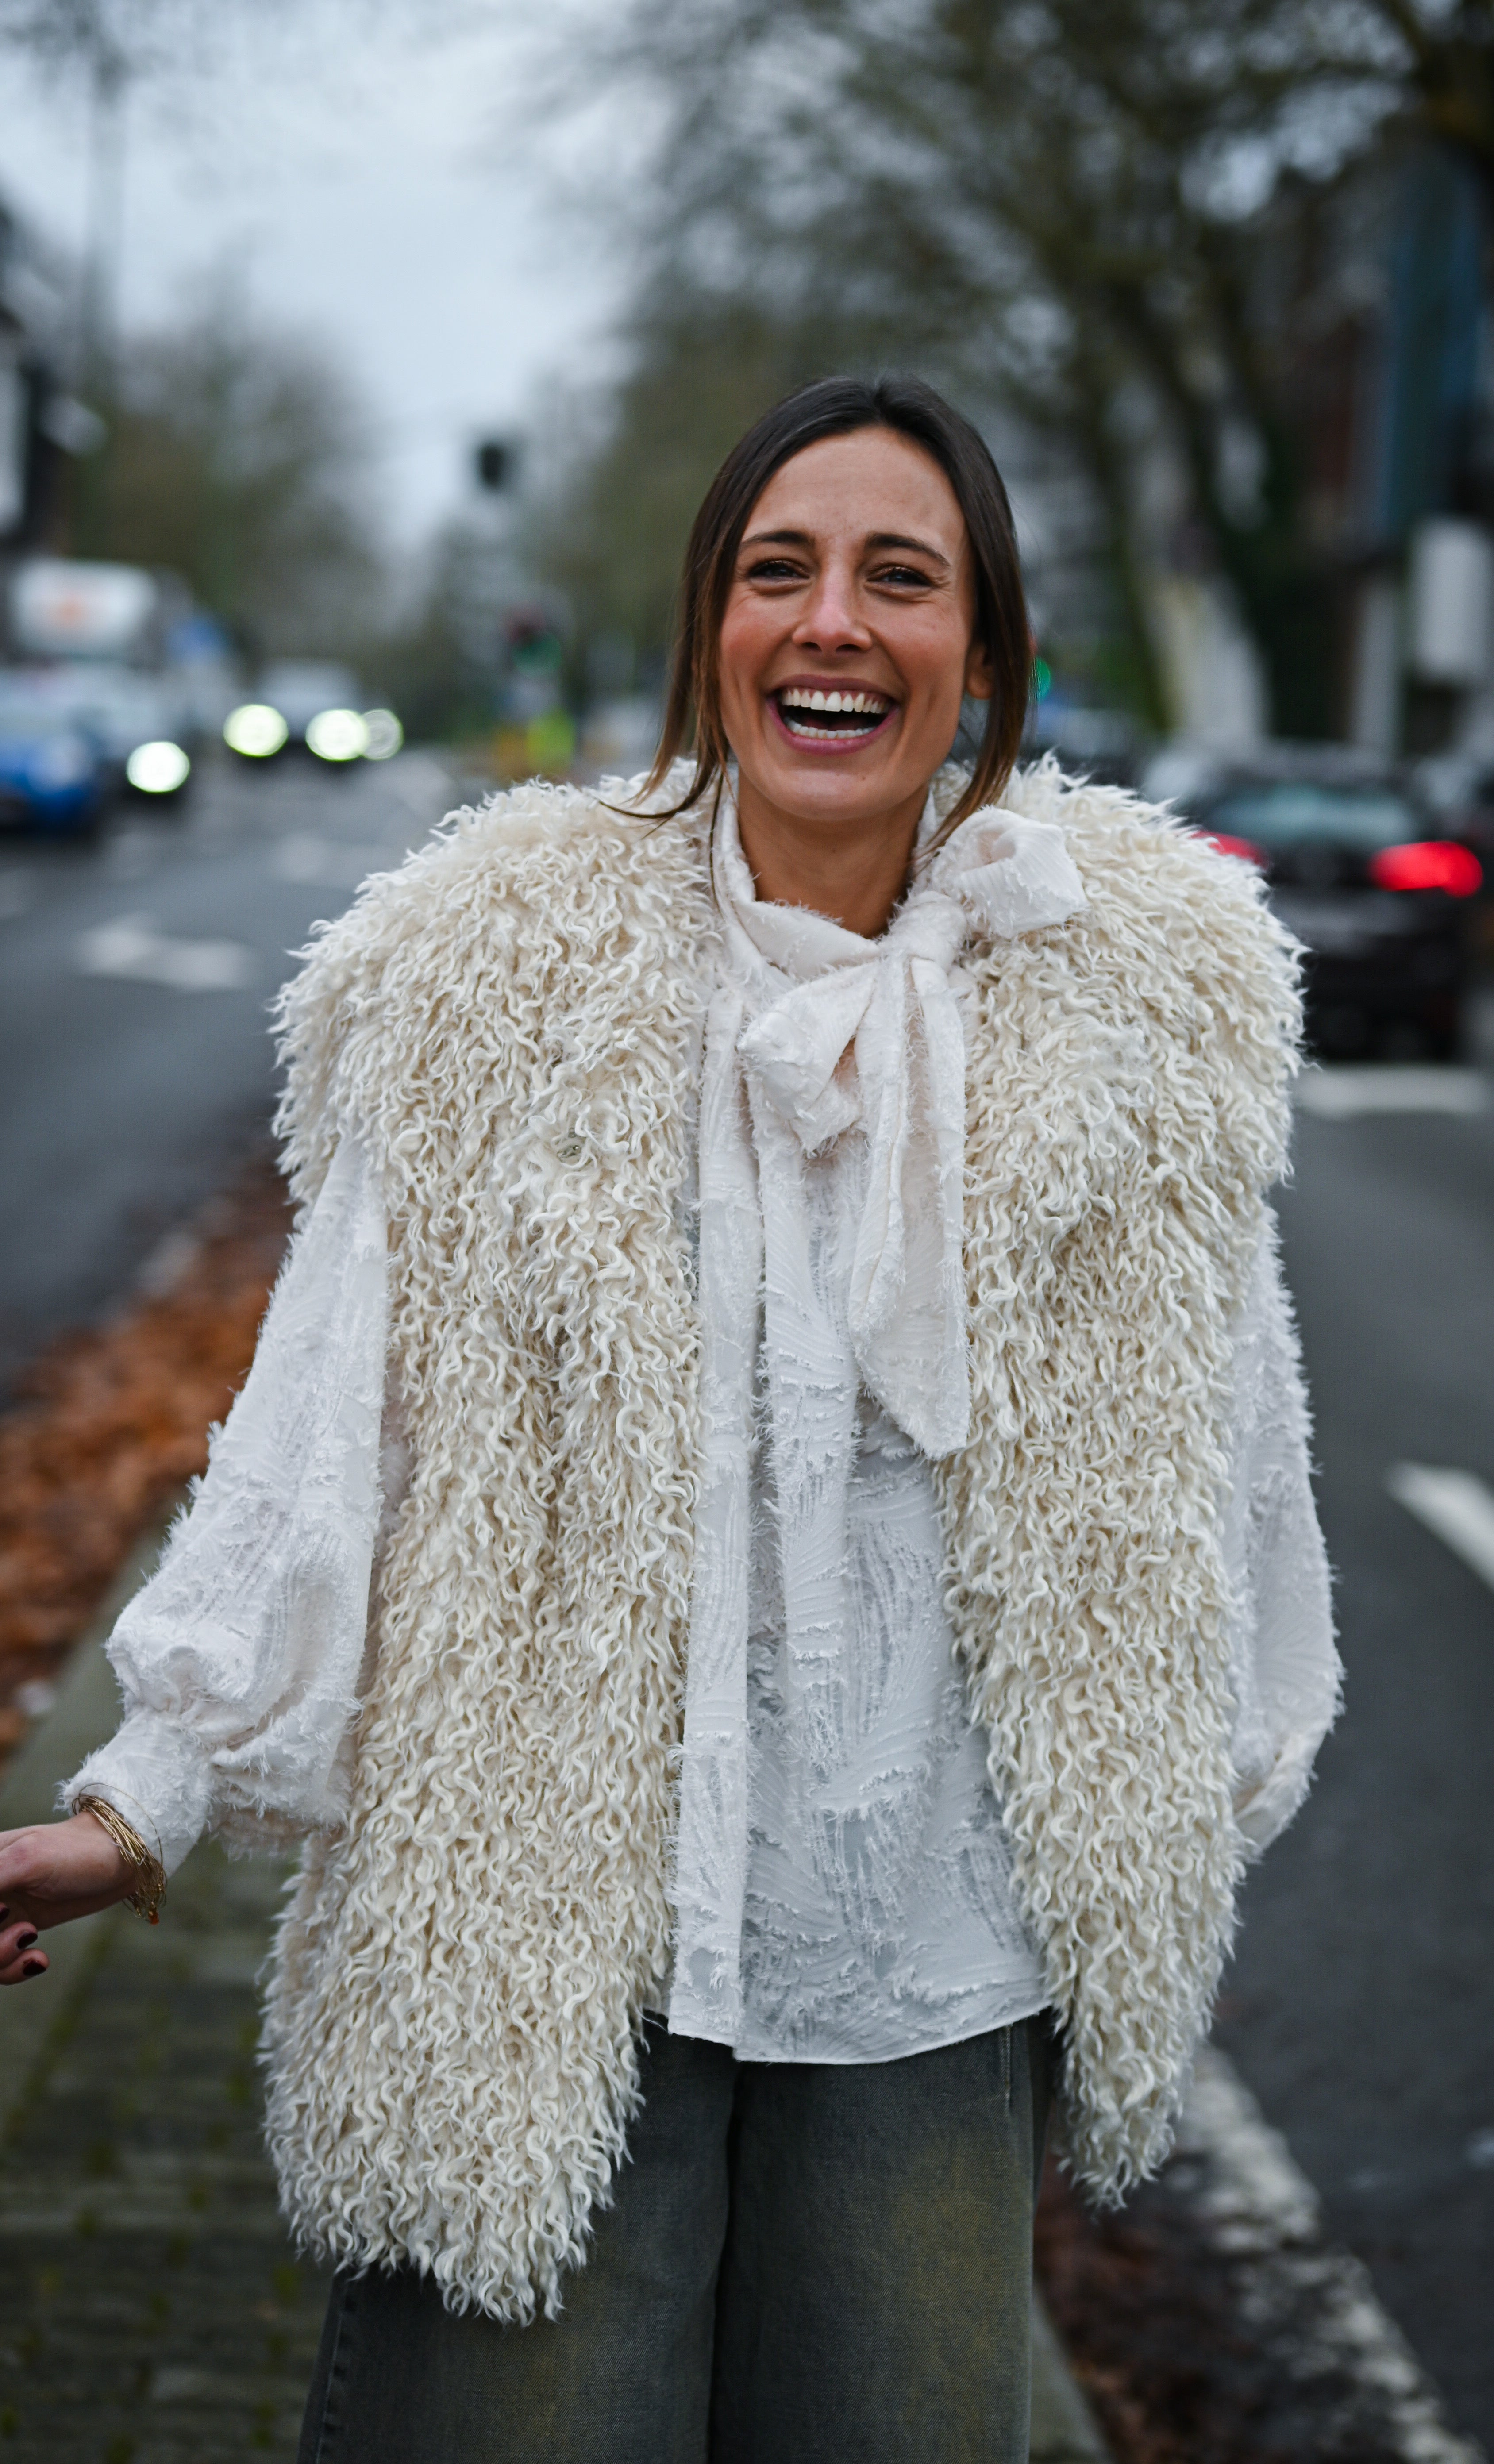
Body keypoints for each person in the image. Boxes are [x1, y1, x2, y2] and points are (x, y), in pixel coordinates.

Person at [0, 374, 1338, 2463]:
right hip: (533, 1937)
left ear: (983, 652)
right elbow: (332, 1426)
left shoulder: (1131, 1001)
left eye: (901, 578)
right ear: (709, 630)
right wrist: (144, 1798)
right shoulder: (495, 971)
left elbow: (1221, 1471)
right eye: (775, 570)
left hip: (925, 1972)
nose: (832, 621)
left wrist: (1158, 1824)